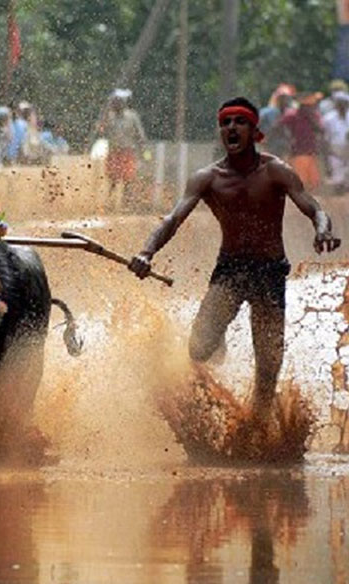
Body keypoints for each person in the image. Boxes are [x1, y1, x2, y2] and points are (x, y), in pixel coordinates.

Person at [128, 97, 341, 437]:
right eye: (225, 122)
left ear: (254, 131)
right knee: (198, 348)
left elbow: (314, 208)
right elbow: (172, 220)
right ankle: (219, 346)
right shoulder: (207, 178)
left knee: (268, 368)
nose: (231, 128)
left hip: (270, 274)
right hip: (230, 270)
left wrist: (323, 229)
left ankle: (257, 431)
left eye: (239, 122)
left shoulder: (276, 171)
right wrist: (146, 252)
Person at [98, 88, 147, 208]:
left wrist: (143, 151)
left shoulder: (132, 116)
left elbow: (140, 135)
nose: (116, 104)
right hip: (114, 151)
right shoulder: (109, 116)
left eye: (118, 102)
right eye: (115, 102)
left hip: (128, 151)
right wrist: (105, 112)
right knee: (112, 179)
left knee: (128, 179)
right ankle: (109, 203)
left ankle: (126, 204)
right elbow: (101, 130)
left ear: (123, 103)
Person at [277, 91, 327, 191]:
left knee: (314, 183)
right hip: (299, 152)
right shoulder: (292, 115)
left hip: (312, 152)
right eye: (307, 106)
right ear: (301, 106)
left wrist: (312, 120)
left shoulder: (314, 117)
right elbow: (278, 126)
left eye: (311, 106)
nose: (310, 108)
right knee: (301, 183)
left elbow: (321, 130)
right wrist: (286, 138)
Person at [322, 90, 349, 193]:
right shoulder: (329, 118)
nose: (342, 105)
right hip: (335, 150)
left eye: (344, 103)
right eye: (340, 103)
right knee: (337, 175)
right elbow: (326, 137)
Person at [258, 83, 295, 158]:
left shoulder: (292, 113)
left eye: (285, 98)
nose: (284, 101)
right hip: (272, 144)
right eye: (282, 98)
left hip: (284, 146)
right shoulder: (267, 112)